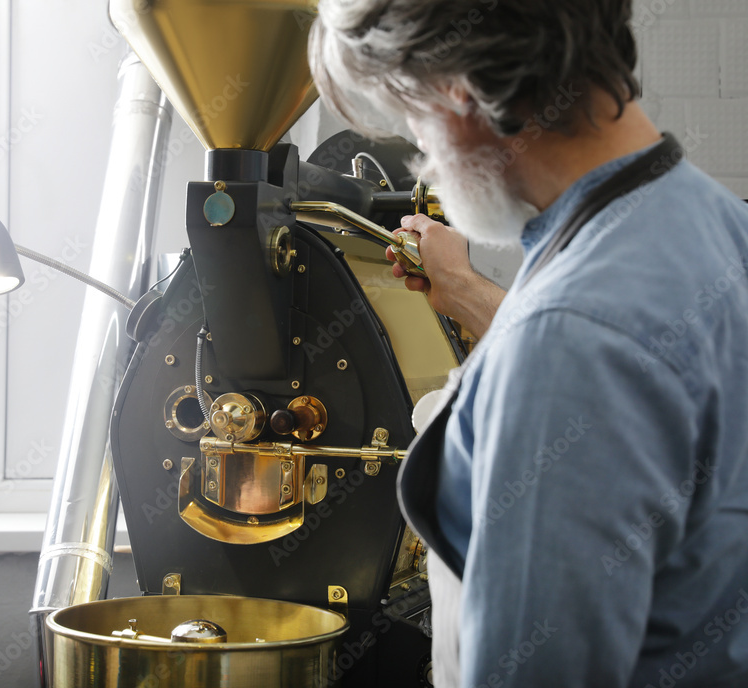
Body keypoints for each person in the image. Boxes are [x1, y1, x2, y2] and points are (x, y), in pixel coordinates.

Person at [310, 2, 748, 687]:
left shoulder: (569, 341)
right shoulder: (716, 226)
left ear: (457, 86)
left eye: (412, 118)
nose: (424, 159)